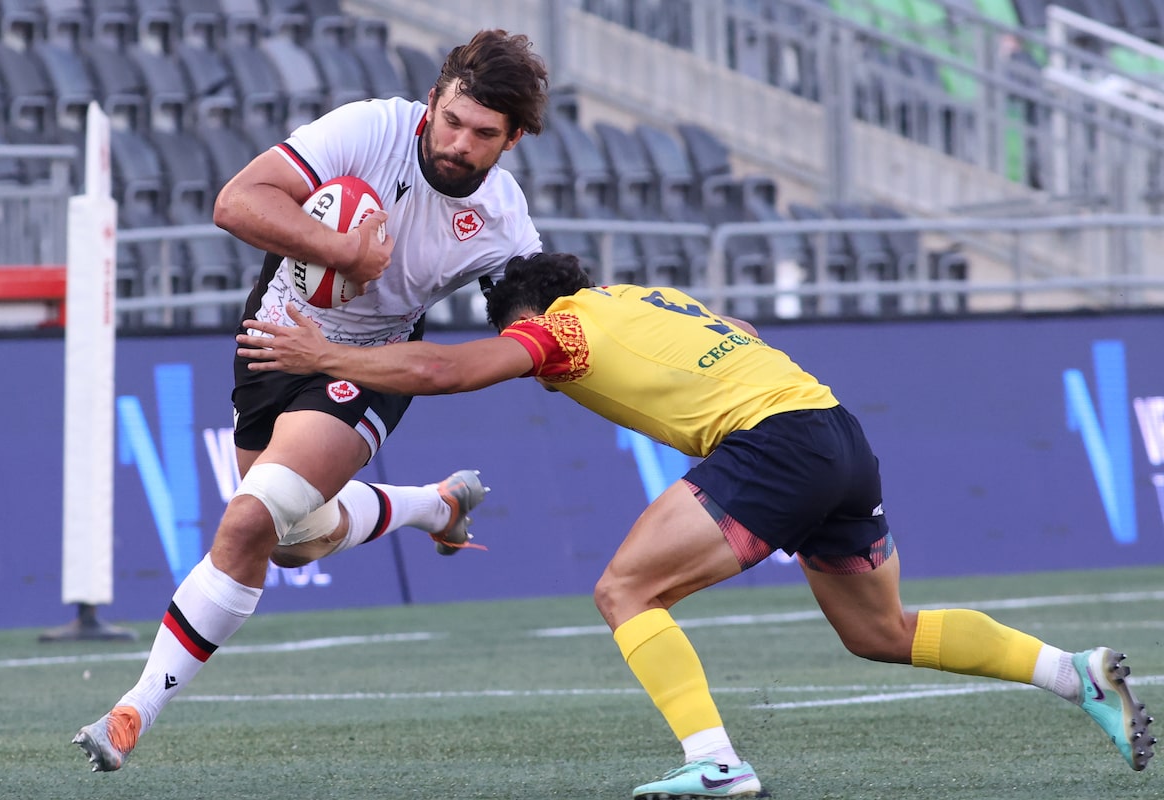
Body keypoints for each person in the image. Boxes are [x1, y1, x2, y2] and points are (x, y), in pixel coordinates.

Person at [234, 252, 1156, 798]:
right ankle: (1070, 675)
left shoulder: (560, 327)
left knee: (624, 590)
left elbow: (455, 372)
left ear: (529, 311)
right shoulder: (646, 298)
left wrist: (323, 352)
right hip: (838, 432)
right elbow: (738, 329)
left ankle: (714, 763)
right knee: (881, 631)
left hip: (774, 443)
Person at [72, 30, 551, 773]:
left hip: (368, 363)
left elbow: (538, 329)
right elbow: (237, 202)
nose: (458, 143)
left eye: (483, 134)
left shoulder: (504, 225)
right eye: (452, 120)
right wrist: (344, 254)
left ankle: (132, 709)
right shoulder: (370, 128)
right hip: (273, 337)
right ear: (432, 101)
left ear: (513, 139)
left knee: (247, 522)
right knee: (291, 545)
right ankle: (435, 506)